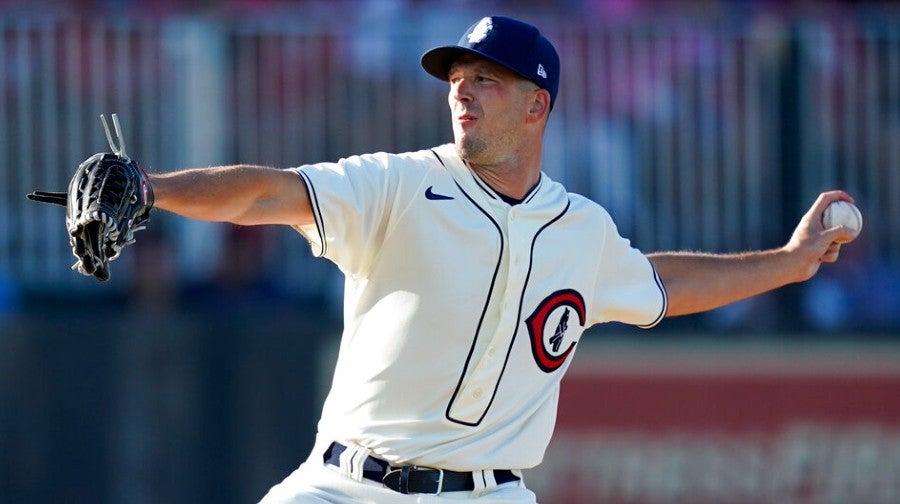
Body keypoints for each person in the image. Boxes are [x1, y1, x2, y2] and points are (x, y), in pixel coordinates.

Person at [147, 16, 858, 504]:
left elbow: (658, 281)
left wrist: (789, 263)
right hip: (345, 486)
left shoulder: (580, 228)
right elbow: (269, 193)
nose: (461, 88)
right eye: (457, 77)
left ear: (536, 106)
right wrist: (153, 190)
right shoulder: (397, 183)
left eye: (486, 78)